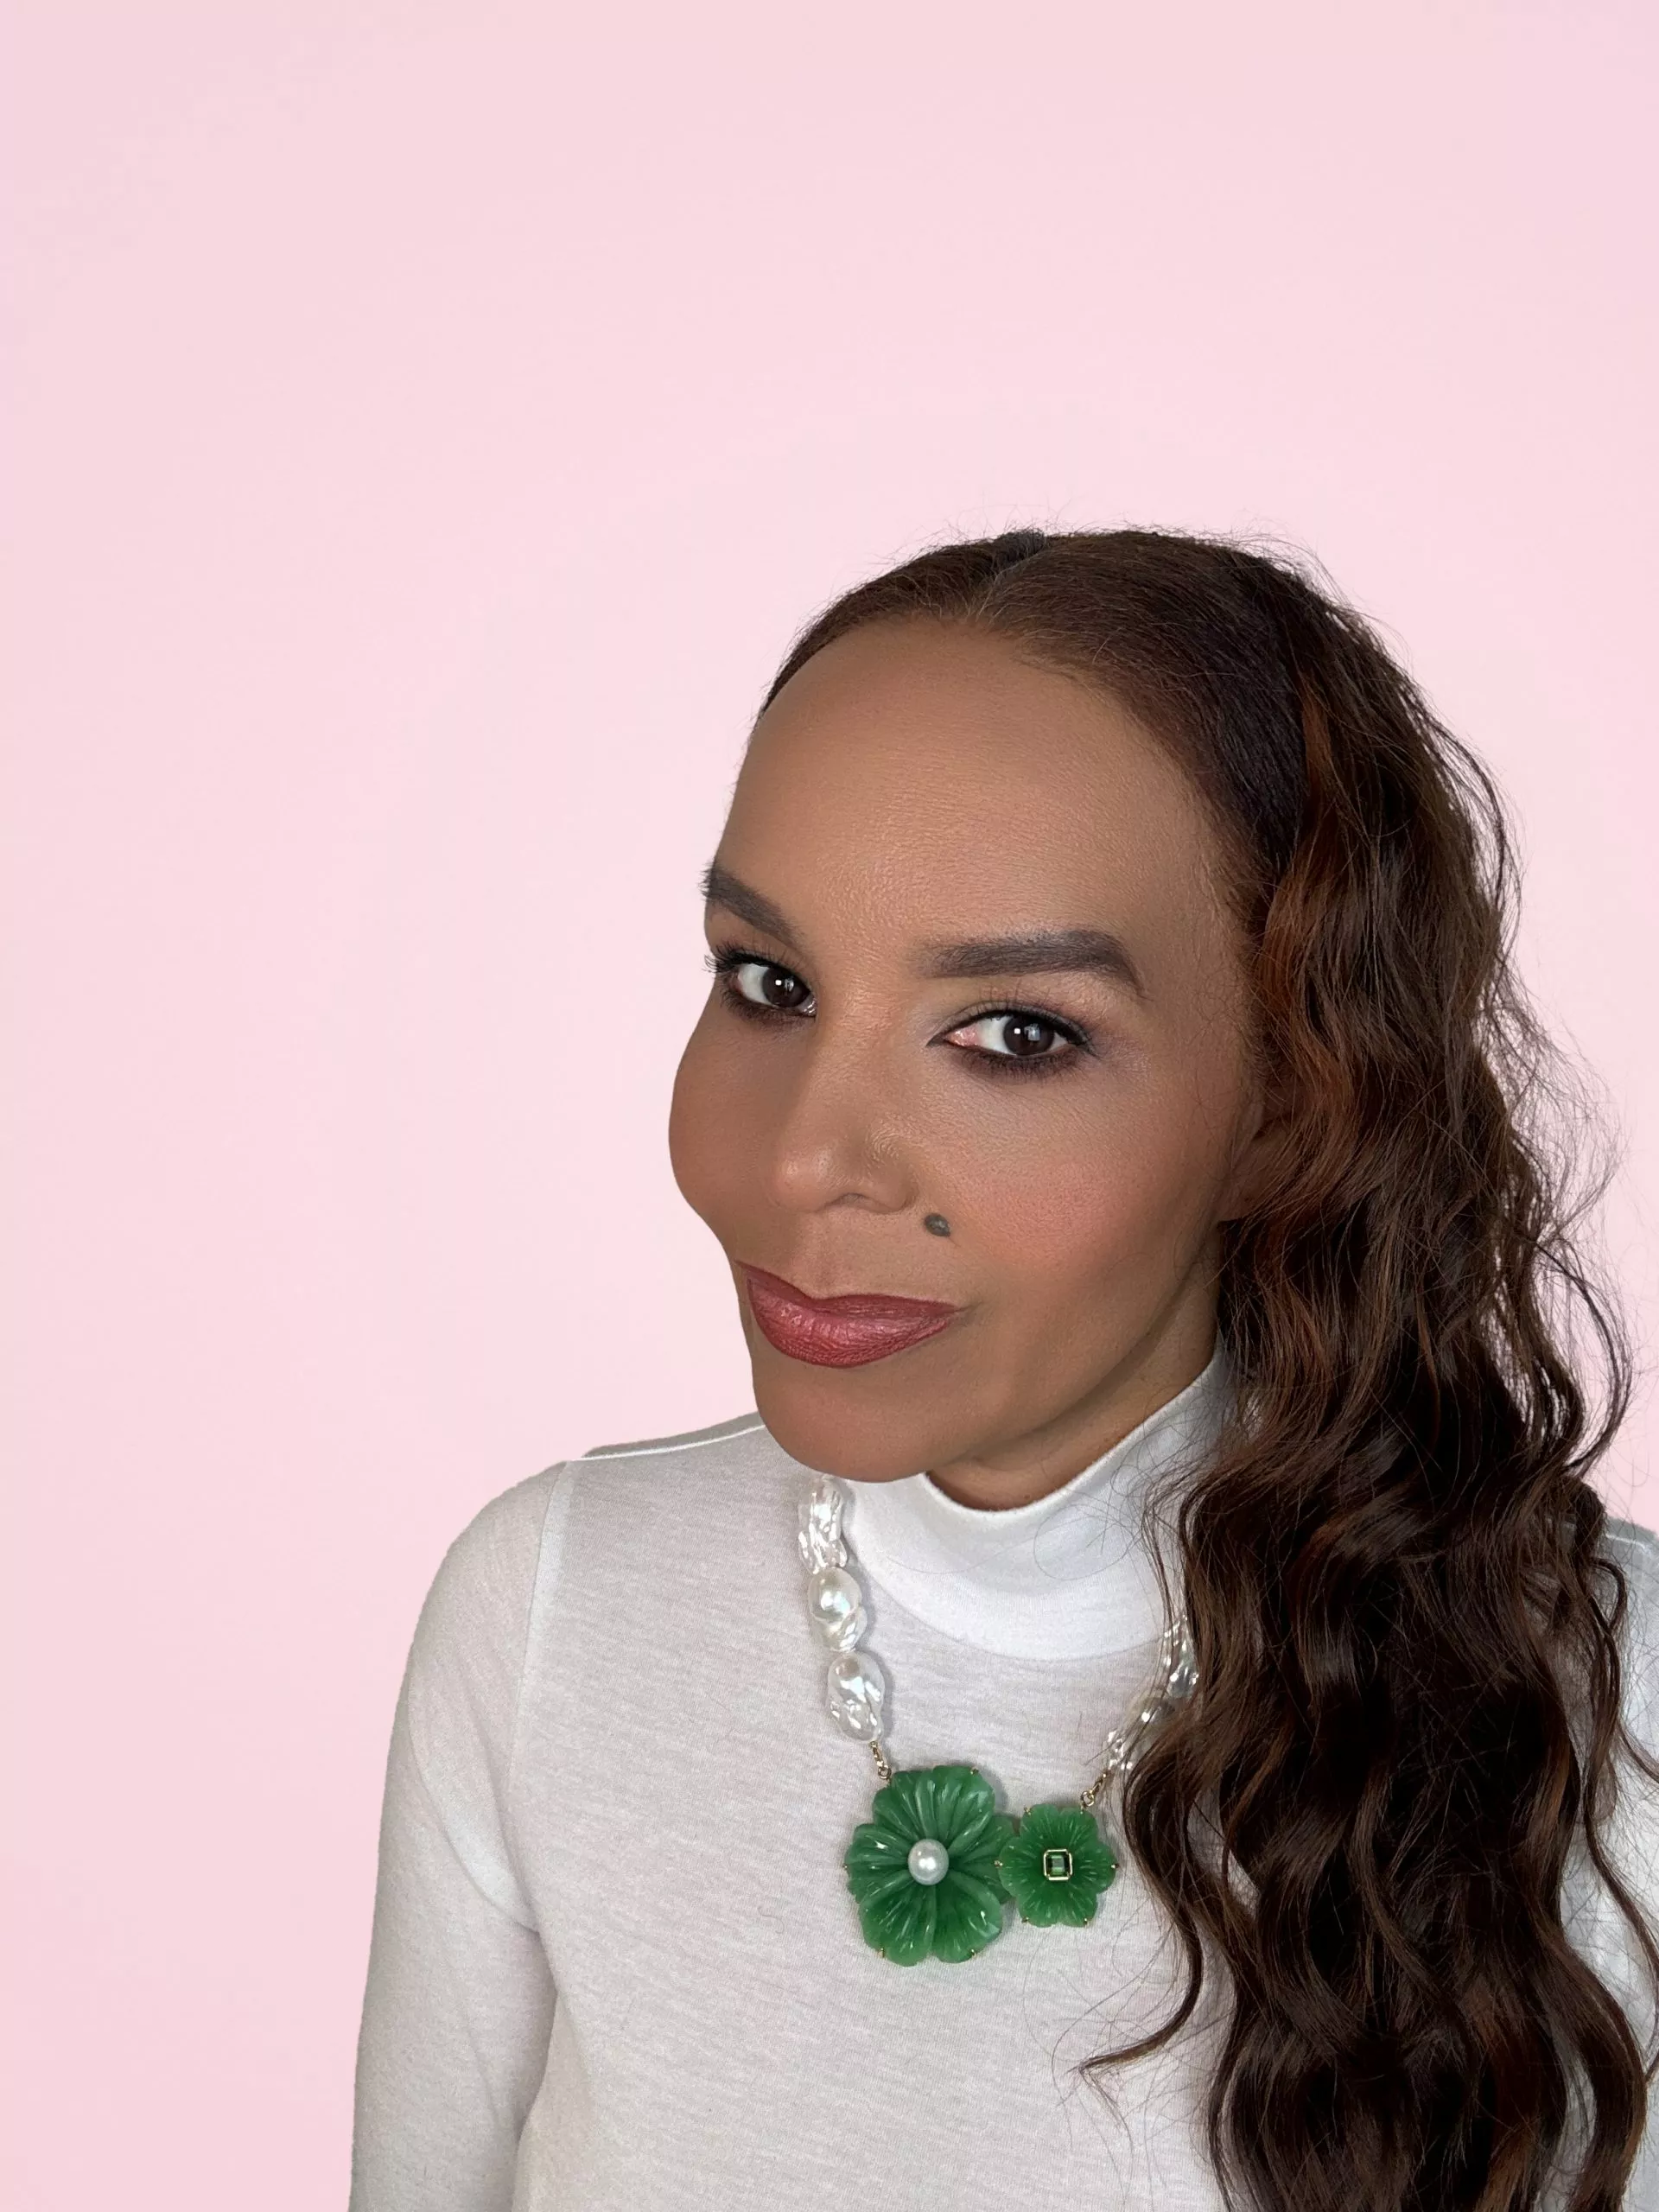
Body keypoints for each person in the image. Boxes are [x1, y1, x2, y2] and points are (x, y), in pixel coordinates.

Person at [347, 528, 1659, 2212]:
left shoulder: (1617, 1711)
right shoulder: (549, 1607)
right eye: (769, 983)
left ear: (1292, 1108)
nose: (804, 1159)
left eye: (1016, 1034)